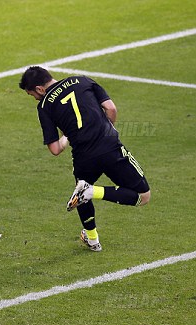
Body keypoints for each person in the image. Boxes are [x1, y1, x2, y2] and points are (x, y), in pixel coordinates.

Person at [19, 66, 150, 252]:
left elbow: (55, 149)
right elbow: (111, 108)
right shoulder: (82, 80)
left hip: (83, 157)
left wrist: (68, 136)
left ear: (40, 89)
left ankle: (93, 240)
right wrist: (106, 128)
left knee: (81, 188)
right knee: (142, 196)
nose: (36, 98)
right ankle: (92, 191)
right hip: (110, 148)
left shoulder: (44, 106)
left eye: (33, 95)